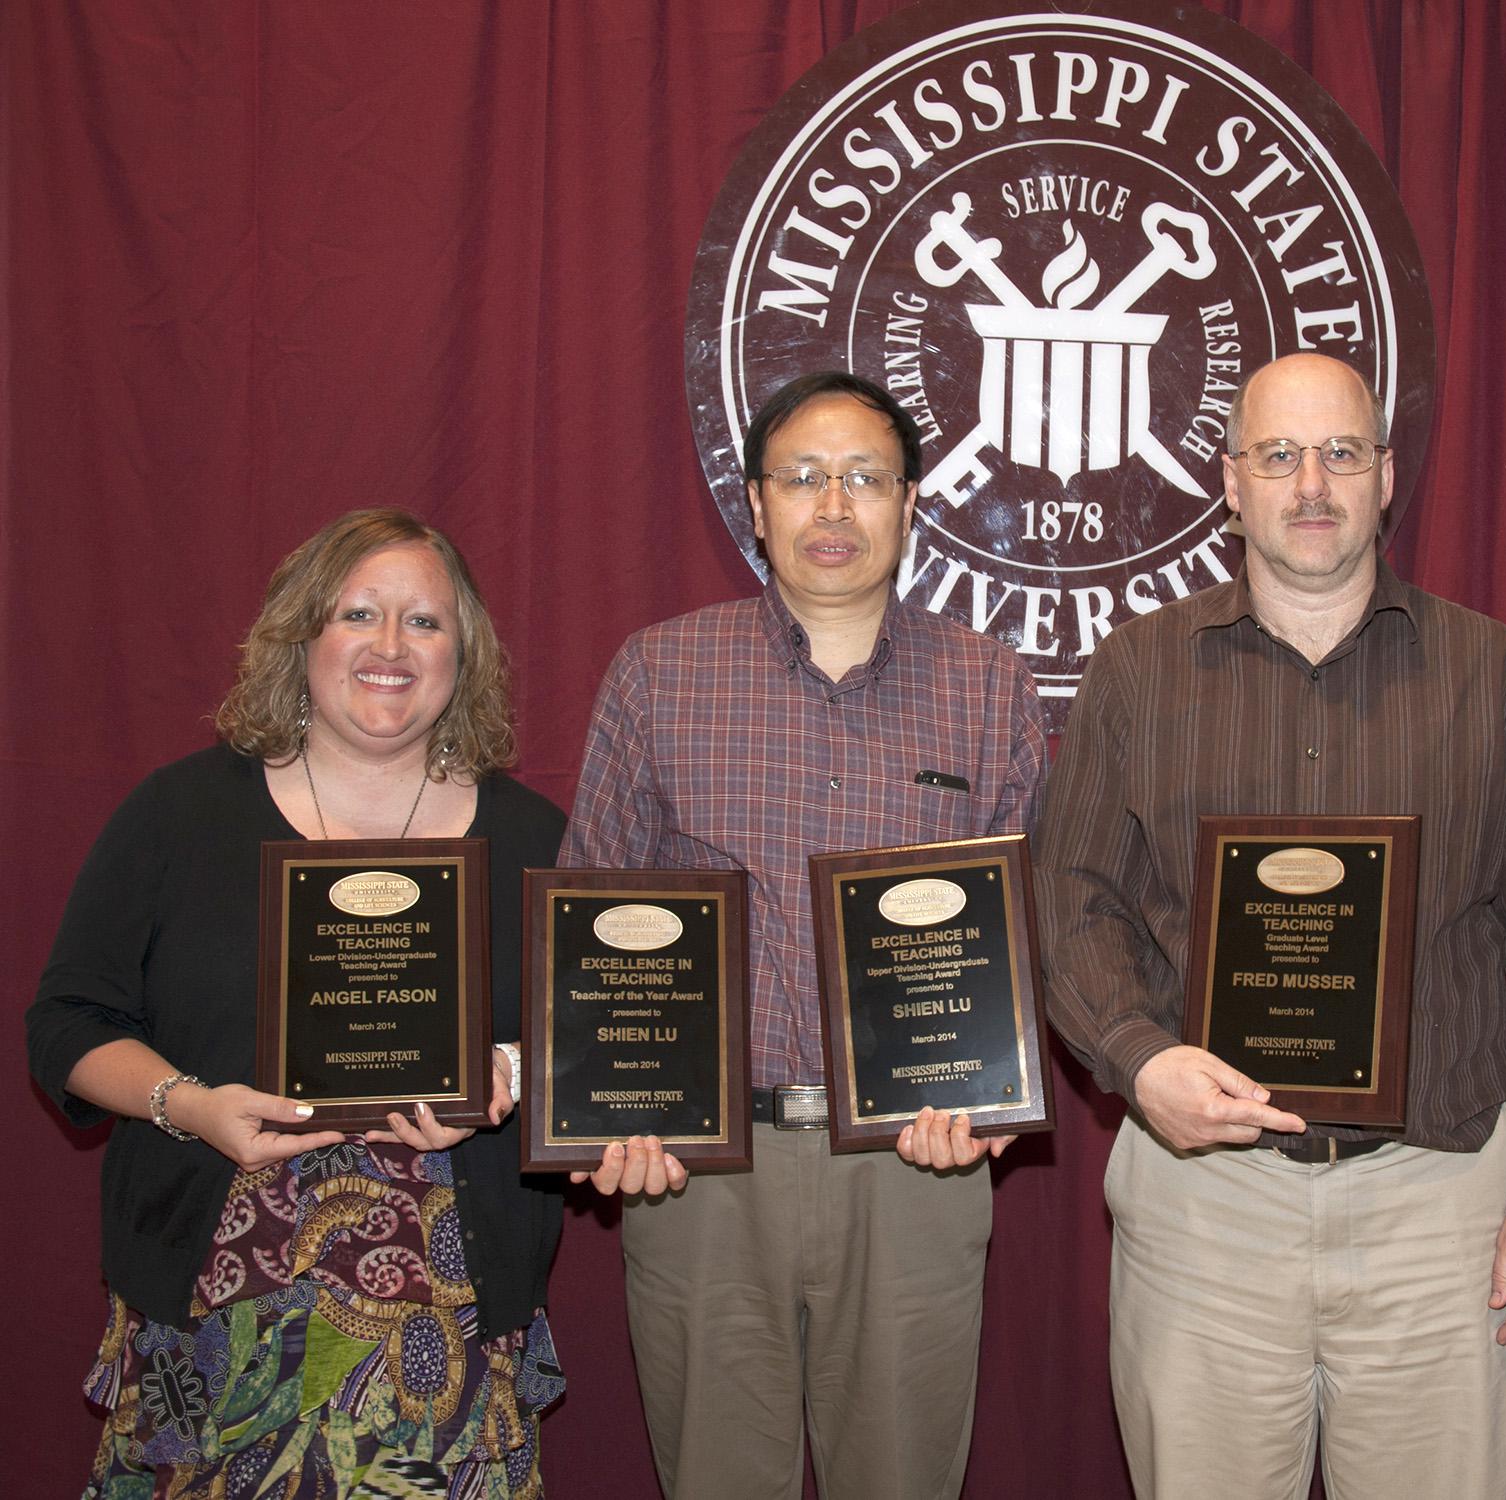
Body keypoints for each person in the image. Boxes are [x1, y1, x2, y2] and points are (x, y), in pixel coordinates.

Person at [1036, 351, 1506, 1499]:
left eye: (1342, 452)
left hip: (1439, 1209)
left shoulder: (1492, 674)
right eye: (1281, 455)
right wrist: (1139, 1060)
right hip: (1208, 1205)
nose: (1313, 483)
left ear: (1387, 475)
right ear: (1231, 481)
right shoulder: (1138, 671)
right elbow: (1070, 901)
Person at [560, 370, 1046, 1500]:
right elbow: (594, 915)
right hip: (702, 1175)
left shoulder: (988, 687)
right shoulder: (657, 673)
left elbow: (1028, 933)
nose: (835, 508)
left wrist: (996, 1098)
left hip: (916, 1163)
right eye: (805, 478)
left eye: (867, 479)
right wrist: (613, 1112)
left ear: (913, 504)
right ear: (757, 502)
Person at [27, 509, 568, 1497]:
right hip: (210, 1303)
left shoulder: (537, 842)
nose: (391, 647)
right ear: (301, 635)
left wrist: (511, 1077)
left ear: (465, 653)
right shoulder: (178, 815)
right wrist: (188, 1104)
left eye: (426, 622)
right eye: (358, 613)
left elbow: (592, 1042)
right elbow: (68, 1022)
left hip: (444, 1322)